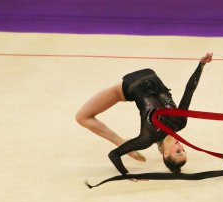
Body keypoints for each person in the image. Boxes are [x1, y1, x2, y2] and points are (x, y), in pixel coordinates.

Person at [76, 53, 213, 178]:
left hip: (123, 89)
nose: (181, 148)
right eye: (184, 151)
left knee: (82, 117)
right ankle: (123, 142)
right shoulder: (180, 122)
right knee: (83, 117)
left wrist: (126, 175)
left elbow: (114, 155)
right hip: (150, 76)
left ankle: (120, 141)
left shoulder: (148, 137)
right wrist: (201, 65)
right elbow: (189, 92)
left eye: (178, 152)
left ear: (165, 154)